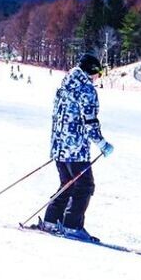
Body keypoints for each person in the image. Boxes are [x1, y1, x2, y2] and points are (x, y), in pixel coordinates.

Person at [41, 53, 113, 241]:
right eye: (99, 73)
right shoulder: (86, 90)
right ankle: (72, 226)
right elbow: (89, 121)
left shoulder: (65, 86)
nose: (99, 77)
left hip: (59, 147)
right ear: (92, 71)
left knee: (67, 184)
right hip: (76, 149)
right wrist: (102, 143)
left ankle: (51, 220)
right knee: (84, 186)